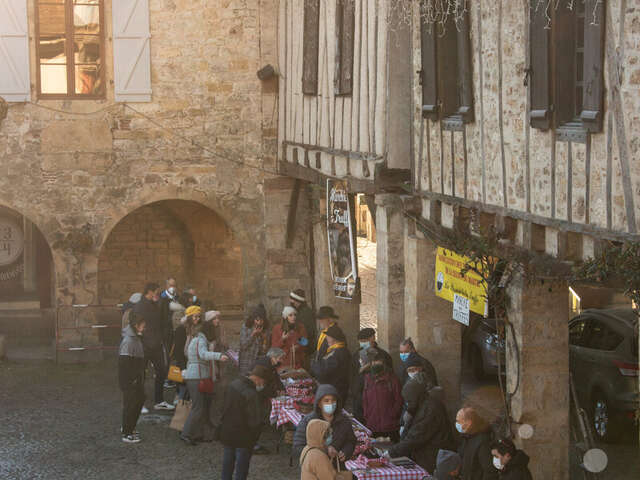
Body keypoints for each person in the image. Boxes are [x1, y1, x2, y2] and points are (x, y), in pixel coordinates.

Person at [387, 379, 456, 472]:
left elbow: (417, 436)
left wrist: (392, 452)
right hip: (424, 454)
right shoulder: (420, 405)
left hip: (433, 456)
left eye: (409, 400)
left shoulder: (431, 408)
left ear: (416, 396)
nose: (408, 403)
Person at [180, 320, 229, 445]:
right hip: (197, 377)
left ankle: (195, 434)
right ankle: (186, 434)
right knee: (197, 408)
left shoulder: (196, 339)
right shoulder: (201, 340)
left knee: (199, 407)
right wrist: (218, 356)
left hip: (194, 376)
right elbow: (203, 354)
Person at [219, 364, 270, 480]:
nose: (262, 385)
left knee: (227, 465)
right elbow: (254, 420)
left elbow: (222, 406)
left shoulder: (233, 384)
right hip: (244, 437)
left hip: (227, 431)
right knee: (241, 470)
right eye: (263, 382)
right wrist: (255, 437)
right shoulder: (251, 394)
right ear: (258, 379)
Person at [293, 384, 357, 470]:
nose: (330, 403)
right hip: (314, 470)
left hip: (337, 469)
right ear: (319, 403)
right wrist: (325, 451)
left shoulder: (344, 421)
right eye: (326, 401)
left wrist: (346, 452)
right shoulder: (308, 421)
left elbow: (351, 441)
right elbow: (298, 447)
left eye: (333, 400)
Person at [134, 282, 175, 411]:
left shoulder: (155, 304)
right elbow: (136, 325)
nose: (158, 294)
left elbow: (161, 321)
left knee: (162, 371)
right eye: (156, 292)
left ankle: (159, 401)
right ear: (150, 291)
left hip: (156, 344)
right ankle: (138, 403)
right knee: (140, 375)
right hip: (144, 345)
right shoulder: (140, 306)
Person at [351, 328, 393, 422]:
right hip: (360, 399)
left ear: (372, 338)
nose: (363, 344)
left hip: (379, 400)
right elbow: (352, 378)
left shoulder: (383, 356)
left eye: (365, 341)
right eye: (361, 342)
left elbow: (390, 377)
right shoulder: (356, 356)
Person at [252, 347, 286, 455]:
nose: (282, 361)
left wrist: (282, 388)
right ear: (273, 357)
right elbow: (261, 386)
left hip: (260, 395)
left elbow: (276, 378)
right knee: (256, 419)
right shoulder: (264, 365)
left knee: (260, 418)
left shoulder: (270, 364)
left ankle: (253, 442)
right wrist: (275, 393)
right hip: (256, 395)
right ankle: (253, 445)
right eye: (280, 358)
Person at [118, 311, 146, 443]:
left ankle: (130, 427)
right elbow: (124, 364)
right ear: (136, 325)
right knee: (131, 404)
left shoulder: (135, 337)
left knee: (138, 401)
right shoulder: (129, 341)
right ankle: (127, 432)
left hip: (136, 378)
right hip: (131, 380)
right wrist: (132, 380)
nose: (144, 327)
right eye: (142, 324)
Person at [362, 353, 403, 441]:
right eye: (374, 364)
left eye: (379, 364)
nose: (376, 366)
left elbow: (399, 399)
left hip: (390, 425)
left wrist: (393, 414)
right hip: (373, 424)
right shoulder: (367, 379)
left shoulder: (393, 380)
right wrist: (367, 414)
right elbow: (365, 399)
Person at [456, 407, 498, 480]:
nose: (457, 424)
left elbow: (490, 471)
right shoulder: (467, 437)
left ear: (469, 423)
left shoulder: (483, 442)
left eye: (459, 421)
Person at [311, 325, 351, 402]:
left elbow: (323, 372)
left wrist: (313, 364)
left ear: (333, 338)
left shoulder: (338, 353)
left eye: (328, 337)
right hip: (335, 388)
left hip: (335, 390)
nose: (326, 339)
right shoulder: (336, 350)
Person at [172, 307, 202, 402]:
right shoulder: (181, 329)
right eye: (195, 317)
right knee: (181, 386)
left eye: (199, 317)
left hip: (190, 361)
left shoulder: (196, 329)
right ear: (189, 317)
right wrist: (183, 367)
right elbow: (178, 351)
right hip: (181, 361)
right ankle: (180, 405)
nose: (197, 319)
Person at [271, 306, 308, 370]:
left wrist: (298, 345)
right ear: (285, 317)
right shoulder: (277, 328)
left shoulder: (300, 327)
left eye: (295, 315)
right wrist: (282, 339)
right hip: (283, 363)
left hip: (297, 362)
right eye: (290, 315)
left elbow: (305, 342)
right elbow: (274, 348)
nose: (293, 317)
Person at [238, 305, 269, 375]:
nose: (259, 323)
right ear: (253, 319)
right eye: (257, 320)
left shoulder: (265, 329)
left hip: (258, 364)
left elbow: (265, 351)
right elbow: (243, 345)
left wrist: (264, 339)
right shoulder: (246, 327)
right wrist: (253, 335)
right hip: (246, 363)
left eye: (261, 320)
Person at [289, 289, 316, 356]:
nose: (291, 302)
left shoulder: (306, 313)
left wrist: (297, 343)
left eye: (293, 301)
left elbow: (308, 333)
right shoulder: (297, 311)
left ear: (298, 301)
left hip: (307, 347)